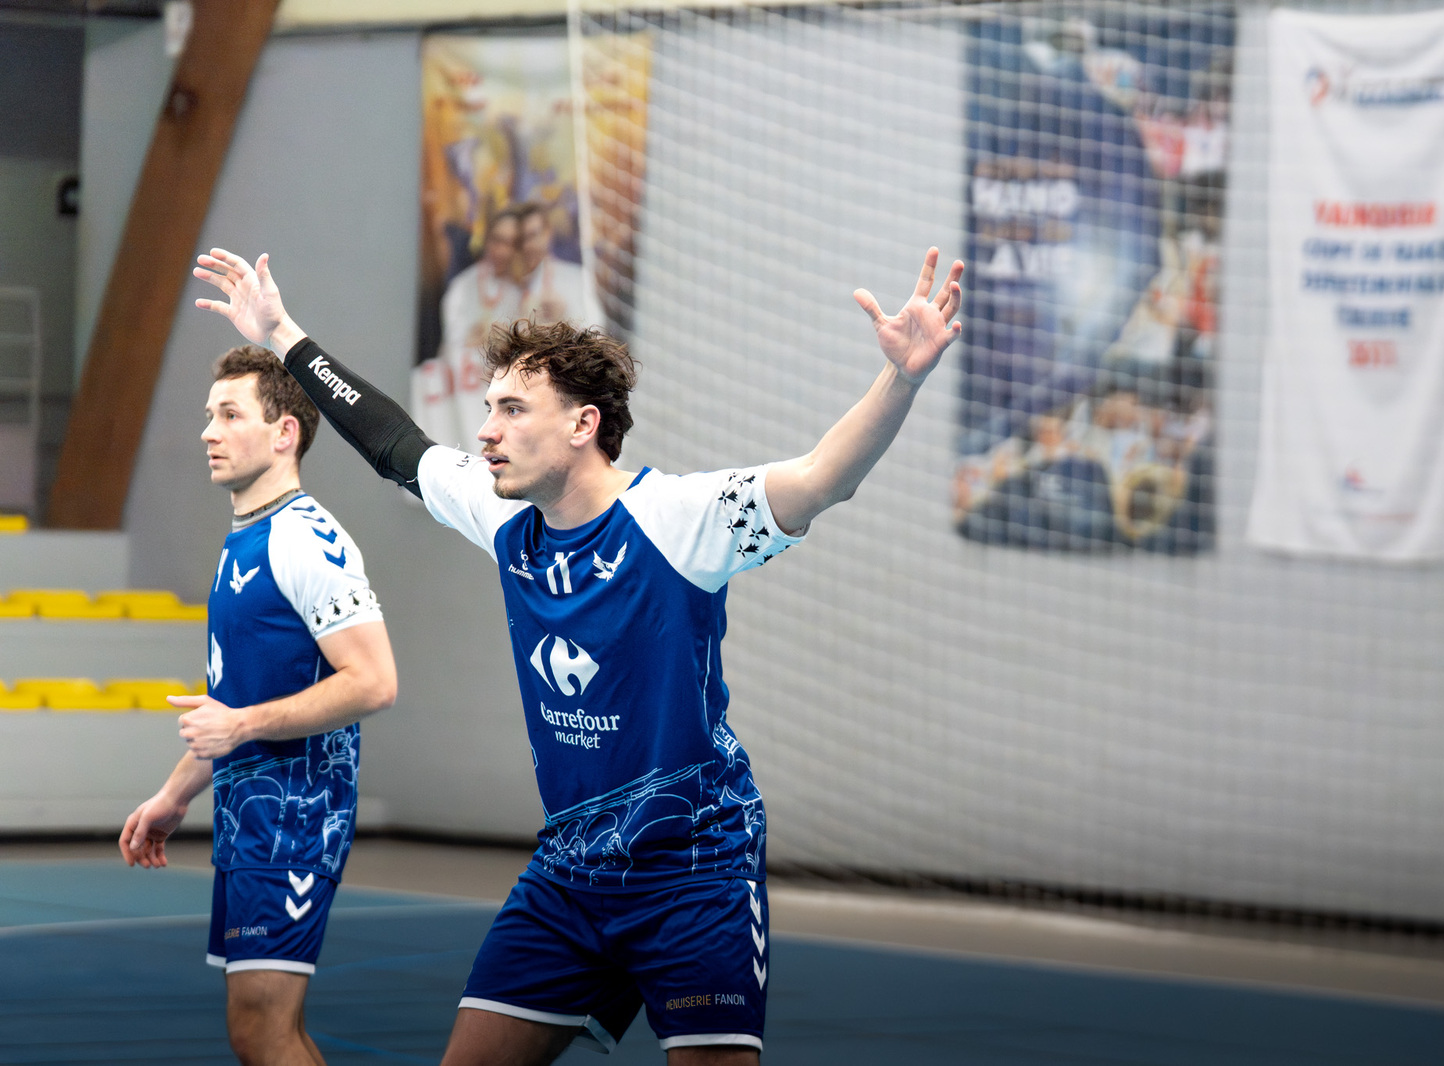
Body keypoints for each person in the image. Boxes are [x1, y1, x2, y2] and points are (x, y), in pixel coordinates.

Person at [192, 243, 961, 1064]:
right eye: (488, 408)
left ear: (583, 424)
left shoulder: (680, 519)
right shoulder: (504, 517)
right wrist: (282, 332)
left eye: (513, 409)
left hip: (693, 866)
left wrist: (901, 378)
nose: (486, 430)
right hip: (572, 867)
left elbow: (821, 478)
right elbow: (392, 441)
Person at [119, 345, 398, 1066]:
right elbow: (234, 704)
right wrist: (174, 795)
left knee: (263, 1033)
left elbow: (373, 682)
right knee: (268, 1033)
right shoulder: (248, 536)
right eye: (209, 415)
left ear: (284, 433)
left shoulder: (306, 540)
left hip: (296, 820)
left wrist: (240, 723)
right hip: (250, 820)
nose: (208, 431)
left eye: (230, 415)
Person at [434, 207, 526, 445]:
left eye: (511, 243)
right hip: (464, 397)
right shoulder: (462, 287)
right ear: (486, 240)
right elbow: (451, 344)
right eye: (498, 240)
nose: (502, 251)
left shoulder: (524, 291)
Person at [516, 202, 591, 328]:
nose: (527, 246)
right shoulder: (503, 283)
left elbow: (592, 327)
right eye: (520, 240)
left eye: (533, 235)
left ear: (548, 232)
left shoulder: (574, 278)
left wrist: (564, 315)